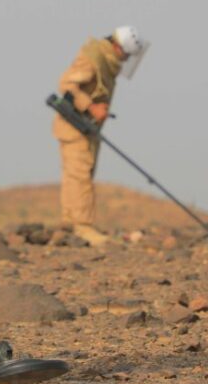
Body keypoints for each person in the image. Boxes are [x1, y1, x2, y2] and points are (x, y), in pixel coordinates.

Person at [52, 27, 148, 245]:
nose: (125, 60)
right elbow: (66, 84)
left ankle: (70, 224)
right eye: (125, 54)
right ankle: (82, 226)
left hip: (87, 128)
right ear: (117, 47)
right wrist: (91, 107)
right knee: (80, 175)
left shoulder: (106, 61)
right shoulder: (94, 58)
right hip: (74, 126)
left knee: (76, 175)